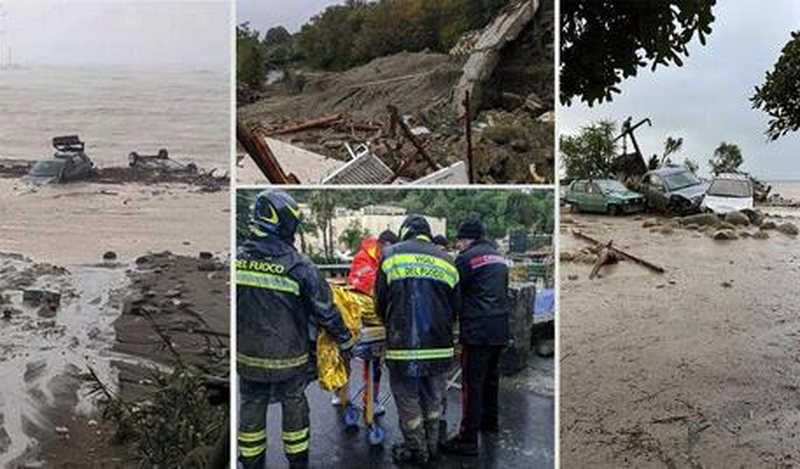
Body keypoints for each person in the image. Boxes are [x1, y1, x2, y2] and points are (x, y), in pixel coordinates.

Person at [237, 189, 354, 469]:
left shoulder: (238, 258)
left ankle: (251, 461)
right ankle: (297, 462)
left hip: (247, 358)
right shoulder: (299, 265)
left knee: (251, 407)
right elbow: (325, 310)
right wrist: (346, 340)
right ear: (285, 223)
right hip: (289, 357)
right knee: (294, 408)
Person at [375, 215, 460, 465]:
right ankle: (433, 445)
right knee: (434, 397)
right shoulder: (447, 261)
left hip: (405, 346)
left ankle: (417, 449)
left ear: (405, 232)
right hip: (440, 346)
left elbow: (380, 301)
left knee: (407, 398)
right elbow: (455, 307)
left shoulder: (391, 255)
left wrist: (388, 324)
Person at [442, 220, 510, 456]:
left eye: (459, 240)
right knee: (491, 379)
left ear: (467, 239)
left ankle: (467, 438)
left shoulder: (466, 258)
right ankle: (490, 423)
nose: (458, 245)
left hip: (478, 330)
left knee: (472, 384)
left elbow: (454, 292)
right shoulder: (499, 257)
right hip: (500, 328)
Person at [331, 230, 399, 413]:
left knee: (374, 361)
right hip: (356, 315)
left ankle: (372, 399)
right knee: (345, 355)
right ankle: (340, 391)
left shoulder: (387, 260)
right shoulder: (364, 258)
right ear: (382, 244)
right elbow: (368, 286)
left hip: (376, 318)